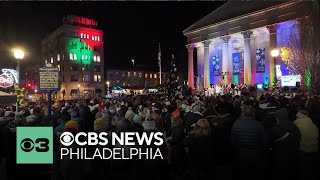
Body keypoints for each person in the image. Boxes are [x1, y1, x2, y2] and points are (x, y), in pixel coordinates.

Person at [231, 105, 267, 180]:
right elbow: (264, 140)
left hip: (241, 153)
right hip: (255, 153)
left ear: (243, 113)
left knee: (243, 173)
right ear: (253, 113)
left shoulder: (236, 124)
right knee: (255, 173)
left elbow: (233, 140)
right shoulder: (259, 125)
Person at [271, 107, 301, 180]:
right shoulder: (295, 127)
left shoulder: (276, 129)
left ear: (278, 118)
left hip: (279, 158)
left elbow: (271, 143)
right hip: (293, 157)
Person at [293, 110, 319, 180]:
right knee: (311, 168)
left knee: (304, 169)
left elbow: (295, 137)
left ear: (298, 116)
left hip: (303, 149)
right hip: (314, 149)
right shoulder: (312, 123)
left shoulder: (297, 123)